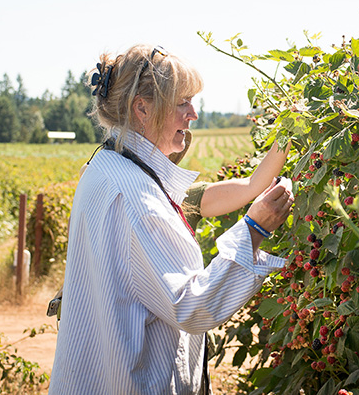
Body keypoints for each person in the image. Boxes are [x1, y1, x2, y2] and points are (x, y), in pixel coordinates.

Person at [49, 44, 293, 395]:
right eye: (182, 102)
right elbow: (195, 307)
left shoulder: (106, 167)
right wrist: (254, 229)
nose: (193, 114)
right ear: (143, 109)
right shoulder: (138, 197)